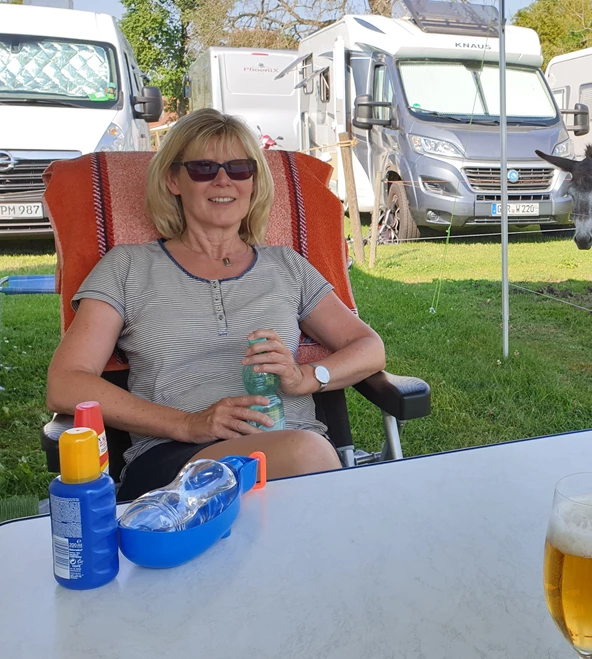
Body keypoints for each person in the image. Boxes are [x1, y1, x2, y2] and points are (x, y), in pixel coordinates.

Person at [46, 109, 385, 500]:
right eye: (203, 168)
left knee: (305, 455)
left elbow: (369, 348)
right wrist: (189, 424)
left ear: (254, 182)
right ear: (173, 179)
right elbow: (66, 382)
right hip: (178, 462)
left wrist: (305, 377)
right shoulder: (128, 266)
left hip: (295, 446)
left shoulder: (287, 264)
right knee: (310, 462)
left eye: (240, 168)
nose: (223, 180)